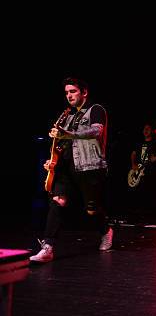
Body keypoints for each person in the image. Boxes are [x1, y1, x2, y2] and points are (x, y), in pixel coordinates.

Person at [31, 77, 112, 263]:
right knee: (57, 201)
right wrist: (52, 161)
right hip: (66, 169)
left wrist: (69, 134)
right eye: (67, 92)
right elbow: (60, 145)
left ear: (84, 92)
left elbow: (96, 131)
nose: (69, 95)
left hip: (89, 167)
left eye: (73, 91)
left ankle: (106, 230)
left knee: (92, 210)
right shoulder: (67, 115)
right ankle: (48, 247)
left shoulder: (96, 109)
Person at [128, 123, 156, 221]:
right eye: (144, 129)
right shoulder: (139, 143)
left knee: (151, 193)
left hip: (152, 173)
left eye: (148, 129)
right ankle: (138, 214)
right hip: (138, 172)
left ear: (152, 131)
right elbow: (133, 154)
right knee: (138, 194)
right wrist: (133, 165)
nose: (145, 131)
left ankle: (151, 215)